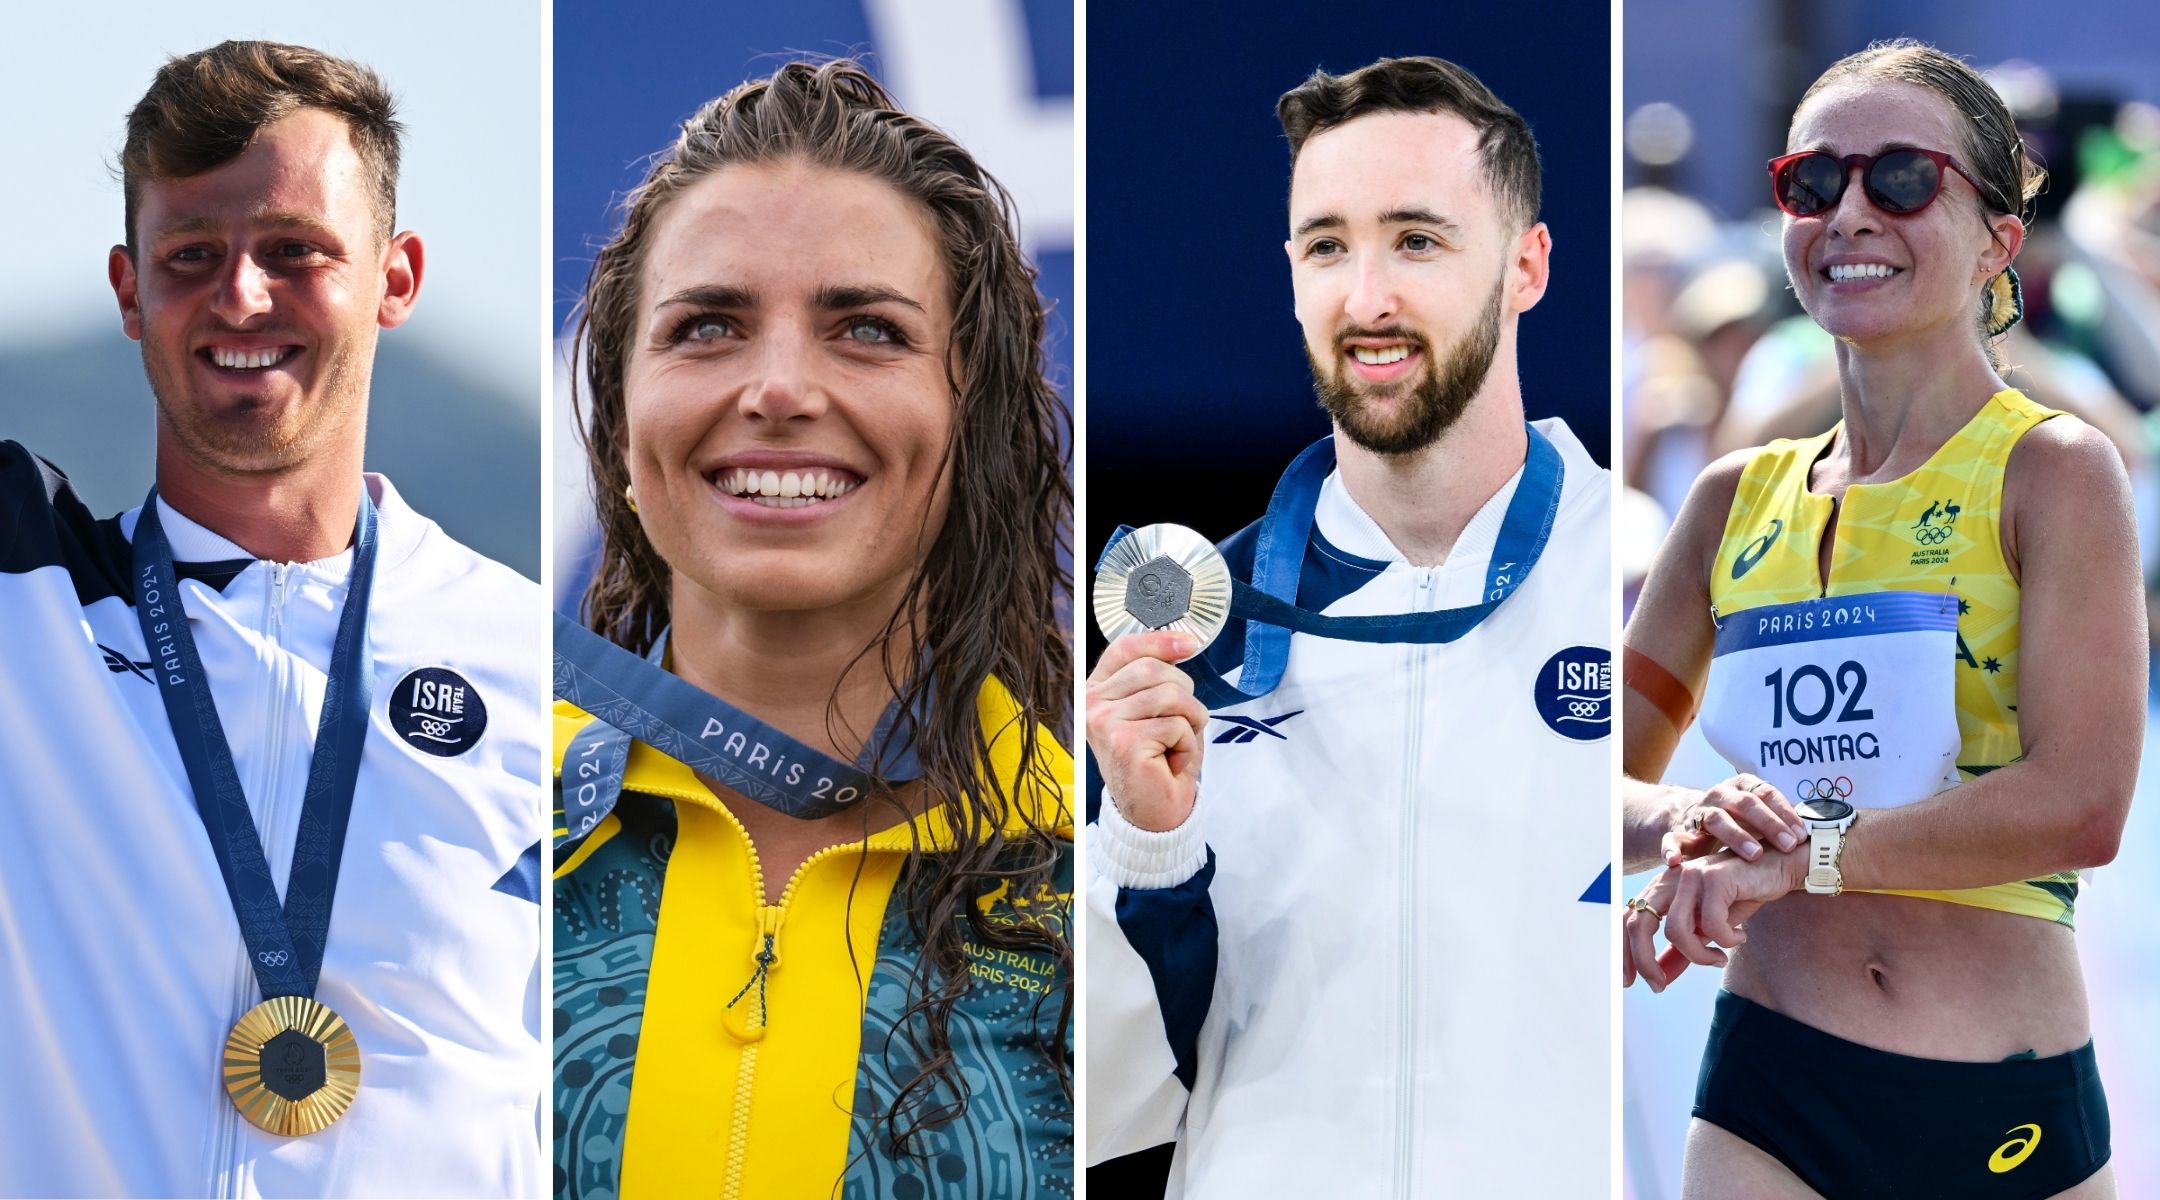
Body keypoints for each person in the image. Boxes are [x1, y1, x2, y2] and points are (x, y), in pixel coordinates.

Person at [0, 40, 544, 1197]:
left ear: (396, 278)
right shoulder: (25, 608)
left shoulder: (536, 664)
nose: (241, 296)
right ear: (129, 289)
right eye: (191, 255)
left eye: (295, 251)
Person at [1620, 40, 2138, 1200]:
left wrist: (1807, 855)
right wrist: (1693, 824)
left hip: (2002, 1112)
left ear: (1999, 237)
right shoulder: (1727, 501)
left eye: (1900, 178)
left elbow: (2084, 805)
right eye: (1813, 182)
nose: (1850, 212)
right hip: (1769, 1099)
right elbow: (1592, 785)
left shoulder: (2055, 472)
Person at [1085, 56, 1612, 1196]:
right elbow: (1097, 1103)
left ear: (1527, 266)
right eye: (1327, 246)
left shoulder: (1644, 578)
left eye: (1417, 241)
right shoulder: (1196, 635)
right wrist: (1146, 848)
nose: (1365, 298)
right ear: (1290, 273)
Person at [549, 59, 1074, 1199]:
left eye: (869, 331)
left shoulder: (1112, 877)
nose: (779, 387)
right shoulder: (463, 825)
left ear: (968, 420)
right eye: (708, 327)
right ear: (620, 419)